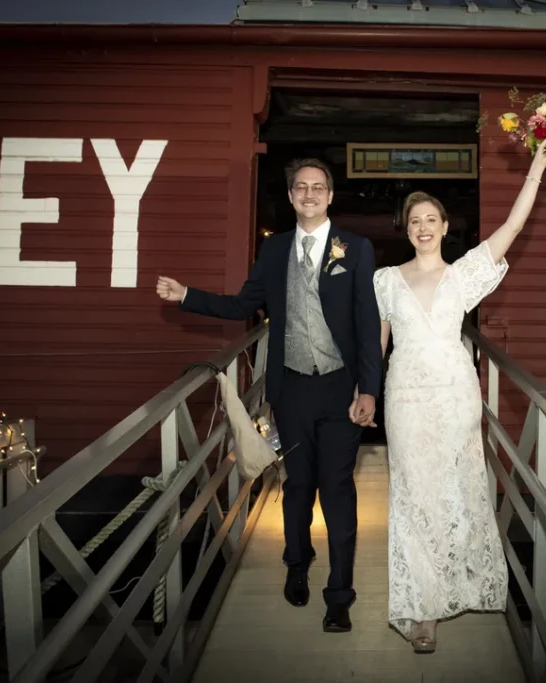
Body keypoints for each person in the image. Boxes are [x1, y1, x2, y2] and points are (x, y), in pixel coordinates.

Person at [156, 158, 383, 634]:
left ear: (330, 195)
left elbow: (367, 327)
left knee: (338, 490)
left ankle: (339, 594)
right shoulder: (275, 250)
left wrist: (369, 390)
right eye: (300, 187)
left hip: (342, 389)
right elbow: (243, 304)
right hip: (293, 387)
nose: (309, 194)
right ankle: (297, 565)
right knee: (298, 486)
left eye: (317, 187)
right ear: (291, 196)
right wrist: (187, 295)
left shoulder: (355, 249)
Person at [367, 141, 546, 652]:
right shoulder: (385, 281)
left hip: (455, 395)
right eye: (415, 221)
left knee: (456, 492)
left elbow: (513, 229)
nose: (424, 227)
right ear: (406, 230)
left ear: (445, 227)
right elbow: (377, 344)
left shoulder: (463, 275)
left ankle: (457, 584)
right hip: (405, 396)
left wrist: (537, 168)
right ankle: (422, 610)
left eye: (432, 219)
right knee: (413, 498)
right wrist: (363, 392)